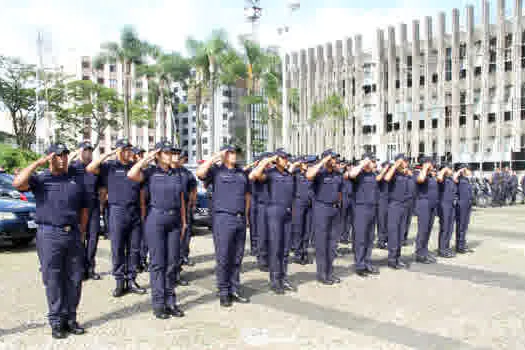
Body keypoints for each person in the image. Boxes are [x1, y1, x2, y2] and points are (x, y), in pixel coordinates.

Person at [13, 143, 88, 339]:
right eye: (57, 156)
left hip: (72, 233)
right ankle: (56, 321)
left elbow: (84, 209)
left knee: (74, 278)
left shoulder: (75, 178)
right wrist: (39, 163)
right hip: (49, 234)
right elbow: (18, 183)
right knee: (53, 279)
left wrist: (81, 233)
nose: (62, 159)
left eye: (64, 155)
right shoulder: (40, 179)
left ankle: (70, 319)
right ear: (50, 158)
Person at [128, 141, 186, 319]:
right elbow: (131, 174)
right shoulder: (150, 172)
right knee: (158, 264)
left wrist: (183, 221)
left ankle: (171, 301)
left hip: (174, 219)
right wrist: (147, 158)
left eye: (172, 153)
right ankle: (159, 304)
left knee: (172, 264)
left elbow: (181, 198)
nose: (171, 156)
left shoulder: (177, 173)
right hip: (156, 218)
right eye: (167, 153)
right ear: (159, 155)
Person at [86, 139, 146, 297]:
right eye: (124, 149)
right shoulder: (109, 166)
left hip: (134, 211)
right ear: (118, 151)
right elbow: (90, 168)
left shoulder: (134, 167)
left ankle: (132, 279)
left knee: (134, 249)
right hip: (117, 211)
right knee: (118, 248)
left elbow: (141, 188)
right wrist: (109, 154)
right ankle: (120, 282)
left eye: (129, 150)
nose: (128, 152)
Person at [196, 145, 251, 307]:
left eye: (235, 152)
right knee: (224, 257)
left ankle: (234, 288)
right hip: (223, 218)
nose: (234, 155)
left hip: (239, 218)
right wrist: (216, 156)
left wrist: (246, 216)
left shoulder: (241, 172)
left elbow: (247, 195)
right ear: (225, 155)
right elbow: (200, 173)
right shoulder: (216, 171)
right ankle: (223, 291)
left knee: (237, 257)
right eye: (231, 153)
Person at [250, 149, 296, 294]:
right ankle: (275, 281)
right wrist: (267, 161)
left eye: (286, 158)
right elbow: (255, 175)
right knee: (275, 248)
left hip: (287, 212)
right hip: (274, 211)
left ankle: (283, 278)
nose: (285, 160)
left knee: (285, 248)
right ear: (277, 159)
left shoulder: (289, 175)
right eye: (282, 158)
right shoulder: (270, 174)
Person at [306, 149, 343, 285]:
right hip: (321, 209)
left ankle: (330, 272)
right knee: (322, 243)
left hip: (334, 209)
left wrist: (338, 206)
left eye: (335, 158)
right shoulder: (319, 173)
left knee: (332, 244)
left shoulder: (338, 174)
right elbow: (309, 175)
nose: (335, 161)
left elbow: (340, 192)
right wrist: (322, 162)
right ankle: (322, 274)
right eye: (332, 158)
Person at [68, 141, 102, 280]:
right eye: (85, 150)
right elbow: (64, 168)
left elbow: (101, 188)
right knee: (79, 238)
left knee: (93, 238)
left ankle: (90, 268)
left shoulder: (94, 168)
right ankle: (79, 268)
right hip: (77, 207)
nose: (88, 153)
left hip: (92, 206)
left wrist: (101, 206)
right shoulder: (73, 167)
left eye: (90, 151)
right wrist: (74, 155)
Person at [349, 154, 381, 276]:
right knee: (360, 238)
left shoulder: (373, 175)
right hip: (360, 208)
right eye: (373, 162)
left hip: (372, 207)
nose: (375, 164)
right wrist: (363, 163)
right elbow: (351, 174)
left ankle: (367, 262)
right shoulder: (358, 174)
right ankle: (359, 265)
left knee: (369, 238)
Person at [384, 154, 410, 269]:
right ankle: (392, 259)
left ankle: (397, 257)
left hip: (404, 205)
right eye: (404, 161)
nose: (406, 163)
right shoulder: (393, 172)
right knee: (394, 233)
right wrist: (395, 165)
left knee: (400, 233)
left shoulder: (404, 174)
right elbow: (386, 178)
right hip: (394, 205)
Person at [414, 157, 438, 264]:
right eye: (431, 164)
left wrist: (430, 172)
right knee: (423, 230)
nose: (433, 166)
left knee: (428, 230)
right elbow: (420, 180)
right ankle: (419, 254)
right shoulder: (419, 173)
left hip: (432, 204)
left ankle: (424, 250)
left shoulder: (430, 175)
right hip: (423, 204)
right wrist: (425, 168)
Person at [291, 156, 314, 265]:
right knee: (298, 229)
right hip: (298, 203)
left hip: (309, 204)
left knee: (307, 230)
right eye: (305, 163)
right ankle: (298, 254)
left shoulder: (311, 174)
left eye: (309, 163)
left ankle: (304, 252)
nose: (308, 165)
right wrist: (295, 164)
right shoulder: (295, 174)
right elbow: (287, 172)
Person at [178, 150, 197, 267]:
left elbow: (193, 190)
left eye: (182, 158)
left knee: (186, 234)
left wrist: (192, 204)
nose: (180, 160)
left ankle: (184, 256)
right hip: (174, 207)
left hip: (186, 207)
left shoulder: (187, 173)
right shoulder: (170, 171)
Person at [437, 163, 456, 258]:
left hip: (451, 205)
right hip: (444, 205)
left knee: (450, 228)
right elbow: (439, 178)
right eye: (450, 169)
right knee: (444, 227)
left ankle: (446, 248)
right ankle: (442, 250)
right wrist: (444, 170)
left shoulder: (450, 179)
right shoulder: (441, 178)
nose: (452, 170)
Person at [454, 164, 474, 254]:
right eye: (469, 169)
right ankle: (460, 246)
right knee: (461, 226)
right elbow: (454, 178)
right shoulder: (459, 179)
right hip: (461, 205)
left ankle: (462, 244)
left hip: (467, 205)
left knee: (464, 226)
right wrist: (460, 171)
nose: (471, 171)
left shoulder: (466, 180)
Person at [376, 161, 390, 249]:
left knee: (389, 221)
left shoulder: (391, 176)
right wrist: (384, 171)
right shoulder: (379, 175)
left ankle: (387, 239)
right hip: (382, 200)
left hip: (390, 200)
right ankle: (381, 240)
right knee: (382, 221)